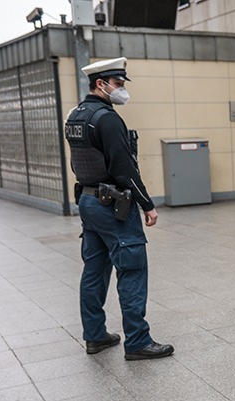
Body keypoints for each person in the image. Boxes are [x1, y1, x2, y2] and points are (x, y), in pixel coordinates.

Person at [65, 57, 174, 361]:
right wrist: (147, 205)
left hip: (88, 200)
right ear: (100, 84)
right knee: (132, 268)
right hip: (113, 205)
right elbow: (124, 168)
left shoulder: (76, 115)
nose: (122, 89)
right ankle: (138, 341)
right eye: (118, 83)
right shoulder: (107, 118)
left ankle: (95, 335)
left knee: (94, 271)